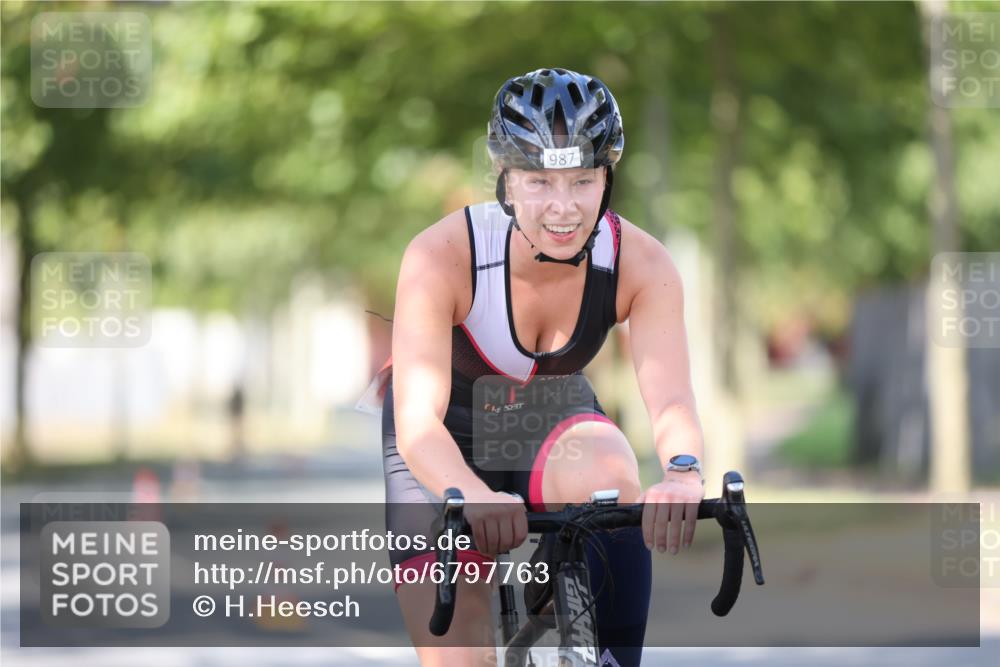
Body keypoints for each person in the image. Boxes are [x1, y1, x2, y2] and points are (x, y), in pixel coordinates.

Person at [374, 67, 706, 666]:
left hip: (547, 419)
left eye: (582, 180)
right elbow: (418, 421)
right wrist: (469, 494)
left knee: (612, 478)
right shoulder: (440, 256)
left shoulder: (642, 262)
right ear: (503, 178)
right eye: (538, 180)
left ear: (607, 177)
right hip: (439, 440)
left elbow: (673, 402)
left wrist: (683, 472)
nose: (562, 206)